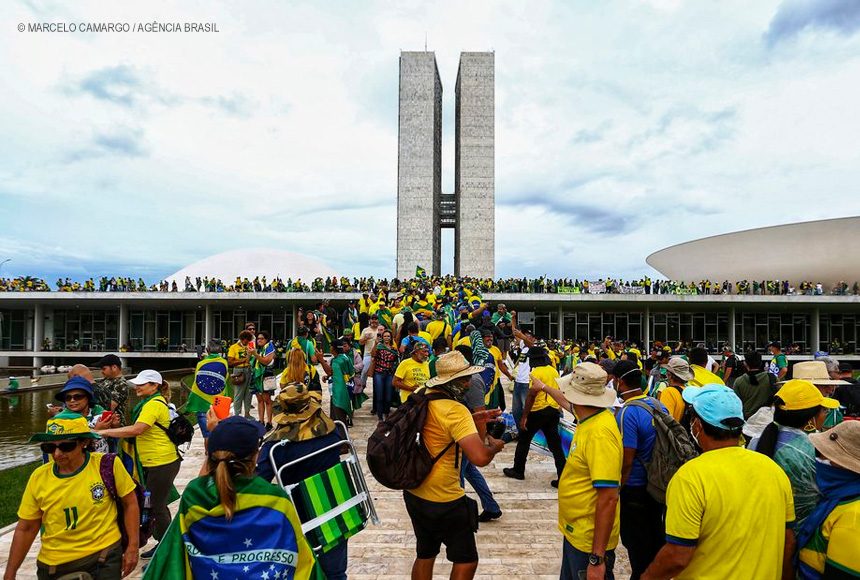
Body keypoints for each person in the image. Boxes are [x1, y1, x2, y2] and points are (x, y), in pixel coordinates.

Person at [642, 384, 795, 580]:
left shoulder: (690, 477)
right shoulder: (774, 470)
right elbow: (788, 541)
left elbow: (677, 556)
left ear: (697, 425)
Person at [143, 415, 319, 580]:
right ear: (255, 456)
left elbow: (172, 553)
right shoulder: (274, 498)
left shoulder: (194, 495)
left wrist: (215, 435)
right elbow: (301, 556)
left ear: (212, 456)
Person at [403, 351, 505, 580]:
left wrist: (473, 419)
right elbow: (480, 458)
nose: (469, 383)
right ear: (452, 382)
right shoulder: (455, 410)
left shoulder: (421, 394)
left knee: (425, 554)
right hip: (444, 497)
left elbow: (438, 427)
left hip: (415, 489)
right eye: (465, 379)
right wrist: (495, 446)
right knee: (466, 561)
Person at [4, 412, 139, 580]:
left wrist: (133, 546)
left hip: (103, 557)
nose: (57, 454)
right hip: (54, 566)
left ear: (84, 442)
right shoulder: (39, 478)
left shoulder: (106, 465)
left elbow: (130, 503)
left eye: (66, 446)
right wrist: (10, 571)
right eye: (49, 448)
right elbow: (27, 528)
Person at [528, 362, 621, 580]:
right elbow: (564, 401)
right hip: (576, 532)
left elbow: (609, 497)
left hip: (588, 542)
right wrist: (544, 387)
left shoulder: (599, 434)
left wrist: (597, 558)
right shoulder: (588, 416)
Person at [257, 383, 349, 579]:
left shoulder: (275, 447)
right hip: (334, 507)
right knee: (335, 573)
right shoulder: (332, 431)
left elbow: (258, 482)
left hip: (298, 516)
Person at [95, 370, 180, 559]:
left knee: (156, 505)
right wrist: (115, 427)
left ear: (155, 386)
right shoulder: (149, 403)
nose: (137, 387)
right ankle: (164, 542)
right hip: (154, 462)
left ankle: (167, 548)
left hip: (162, 462)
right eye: (137, 383)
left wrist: (104, 432)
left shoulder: (153, 405)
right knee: (156, 504)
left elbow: (138, 429)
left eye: (142, 384)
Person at [749, 379, 840, 526]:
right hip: (802, 529)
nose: (826, 414)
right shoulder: (814, 450)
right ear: (811, 419)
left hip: (761, 524)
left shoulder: (756, 441)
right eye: (824, 410)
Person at [613, 360, 668, 579]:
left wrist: (619, 486)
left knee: (635, 542)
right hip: (658, 483)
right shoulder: (657, 405)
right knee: (655, 535)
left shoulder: (627, 412)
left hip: (635, 486)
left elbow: (628, 458)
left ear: (620, 382)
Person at [797, 421, 860, 578]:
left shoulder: (854, 517)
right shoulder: (837, 498)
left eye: (826, 456)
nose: (820, 460)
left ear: (844, 466)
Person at [503, 342, 566, 486]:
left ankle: (518, 470)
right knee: (555, 446)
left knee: (524, 440)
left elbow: (531, 396)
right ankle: (562, 477)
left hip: (538, 411)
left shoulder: (535, 373)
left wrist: (524, 417)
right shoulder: (553, 371)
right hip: (552, 411)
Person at [51, 376, 112, 455]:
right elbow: (73, 447)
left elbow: (110, 434)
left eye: (78, 397)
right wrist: (97, 430)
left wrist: (114, 424)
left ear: (88, 397)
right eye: (68, 397)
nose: (72, 400)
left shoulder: (97, 409)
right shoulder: (61, 420)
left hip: (103, 457)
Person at [184, 339, 229, 443]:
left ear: (207, 350)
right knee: (218, 434)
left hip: (202, 404)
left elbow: (197, 383)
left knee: (207, 435)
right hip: (218, 403)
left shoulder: (201, 364)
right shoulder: (224, 363)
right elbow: (224, 379)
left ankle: (208, 452)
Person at [731, 350, 777, 419]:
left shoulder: (739, 381)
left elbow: (736, 403)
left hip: (748, 419)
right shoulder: (772, 378)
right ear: (761, 363)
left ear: (745, 363)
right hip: (767, 418)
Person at [318, 338, 355, 424]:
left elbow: (330, 371)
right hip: (343, 389)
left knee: (338, 417)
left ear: (334, 348)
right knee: (338, 415)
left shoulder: (338, 361)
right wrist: (328, 377)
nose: (329, 348)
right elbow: (337, 372)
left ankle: (341, 431)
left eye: (331, 346)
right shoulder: (344, 357)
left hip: (339, 392)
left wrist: (321, 360)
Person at [509, 311, 536, 426]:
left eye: (528, 336)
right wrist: (513, 318)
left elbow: (530, 344)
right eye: (525, 336)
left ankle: (528, 430)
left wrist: (523, 337)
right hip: (518, 382)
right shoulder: (523, 347)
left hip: (527, 383)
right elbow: (514, 332)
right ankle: (520, 430)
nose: (525, 338)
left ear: (533, 339)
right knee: (516, 410)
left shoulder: (535, 348)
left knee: (527, 409)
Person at [368, 329, 398, 421]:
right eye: (385, 336)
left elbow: (396, 361)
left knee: (388, 397)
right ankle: (380, 416)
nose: (386, 338)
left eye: (388, 336)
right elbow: (372, 354)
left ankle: (386, 413)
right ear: (382, 337)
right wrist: (375, 344)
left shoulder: (394, 349)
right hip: (379, 373)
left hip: (389, 374)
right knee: (379, 396)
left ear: (391, 338)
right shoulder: (379, 347)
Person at [250, 330, 276, 429]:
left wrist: (255, 354)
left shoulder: (269, 347)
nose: (259, 340)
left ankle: (269, 422)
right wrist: (250, 353)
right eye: (258, 339)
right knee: (260, 400)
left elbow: (266, 361)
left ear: (266, 340)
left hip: (266, 376)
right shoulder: (259, 349)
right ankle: (261, 421)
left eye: (262, 339)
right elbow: (250, 362)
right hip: (257, 377)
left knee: (267, 400)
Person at [94, 354, 129, 429]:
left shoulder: (121, 384)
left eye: (104, 369)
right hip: (102, 422)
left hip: (114, 425)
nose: (102, 372)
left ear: (114, 367)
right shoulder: (105, 380)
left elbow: (110, 406)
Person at [227, 329, 254, 418]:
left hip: (249, 370)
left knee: (248, 393)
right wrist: (243, 360)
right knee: (238, 394)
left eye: (248, 340)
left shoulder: (249, 346)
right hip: (238, 371)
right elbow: (230, 362)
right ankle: (237, 415)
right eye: (245, 340)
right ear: (242, 339)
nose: (246, 342)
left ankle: (247, 413)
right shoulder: (233, 347)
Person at [659, 357, 694, 425]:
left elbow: (665, 423)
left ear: (669, 375)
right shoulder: (689, 391)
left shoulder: (669, 392)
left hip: (674, 431)